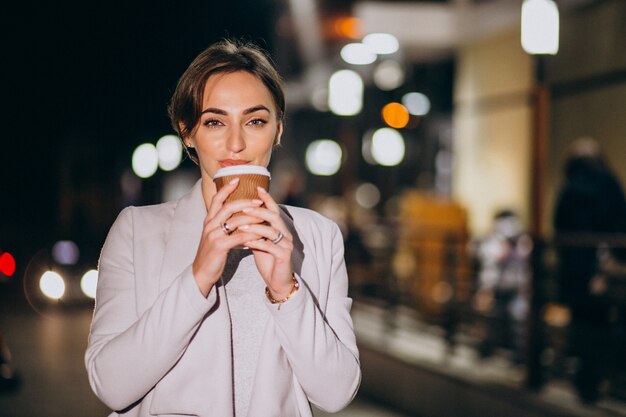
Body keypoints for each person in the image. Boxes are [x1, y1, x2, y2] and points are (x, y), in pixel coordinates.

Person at [85, 39, 361, 417]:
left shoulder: (317, 236)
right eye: (215, 121)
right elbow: (112, 386)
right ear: (187, 132)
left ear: (278, 130)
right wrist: (198, 277)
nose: (236, 143)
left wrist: (286, 290)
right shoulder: (137, 231)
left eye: (255, 121)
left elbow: (336, 393)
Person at [553, 137, 626, 403]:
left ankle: (586, 382)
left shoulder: (569, 188)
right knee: (607, 325)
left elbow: (559, 229)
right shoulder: (609, 183)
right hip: (604, 273)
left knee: (581, 327)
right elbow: (621, 223)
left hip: (576, 275)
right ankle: (610, 380)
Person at [474, 210, 532, 365]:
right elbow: (490, 260)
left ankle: (519, 357)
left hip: (515, 289)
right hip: (495, 288)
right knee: (491, 320)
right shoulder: (492, 241)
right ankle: (486, 350)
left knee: (517, 321)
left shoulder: (522, 241)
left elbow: (525, 264)